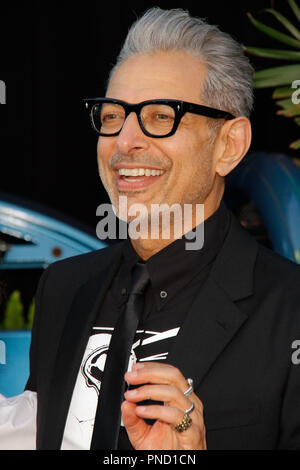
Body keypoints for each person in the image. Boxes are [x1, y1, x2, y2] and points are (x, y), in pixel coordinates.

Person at [25, 7, 300, 450]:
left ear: (228, 146)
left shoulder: (289, 310)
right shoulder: (63, 288)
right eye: (113, 116)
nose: (125, 141)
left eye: (159, 116)